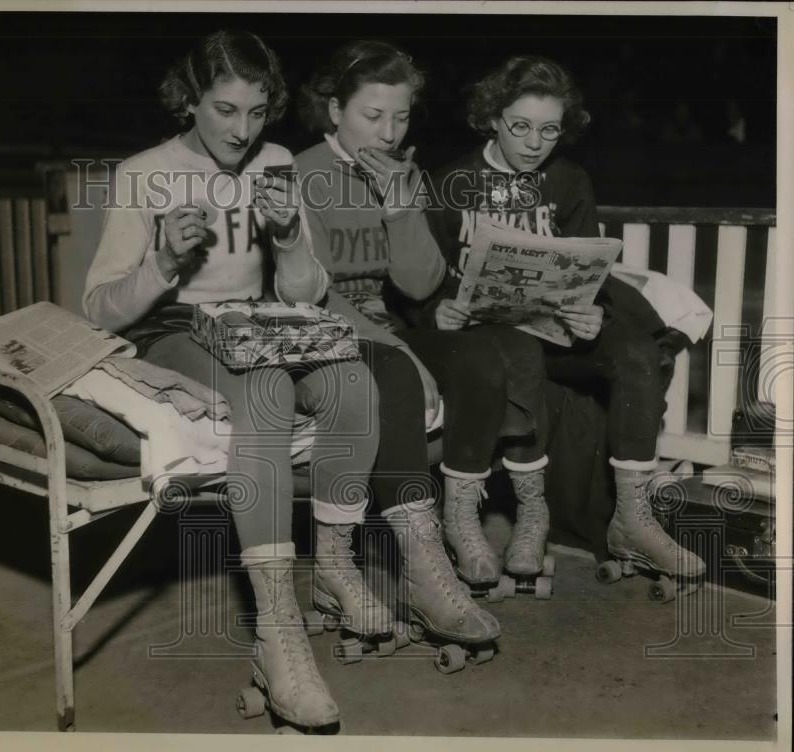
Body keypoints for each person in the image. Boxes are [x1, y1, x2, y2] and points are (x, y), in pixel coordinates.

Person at [82, 30, 384, 730]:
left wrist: (286, 240)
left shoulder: (277, 161)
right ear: (189, 99)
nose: (241, 131)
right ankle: (276, 630)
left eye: (255, 111)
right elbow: (97, 307)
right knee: (266, 390)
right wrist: (160, 261)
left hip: (257, 321)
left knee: (352, 386)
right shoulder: (143, 173)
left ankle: (335, 569)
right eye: (224, 110)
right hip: (172, 325)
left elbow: (307, 291)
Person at [420, 55, 705, 588]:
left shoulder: (569, 180)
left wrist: (592, 309)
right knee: (518, 352)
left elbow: (587, 268)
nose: (533, 143)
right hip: (492, 335)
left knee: (638, 351)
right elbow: (424, 280)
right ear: (492, 118)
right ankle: (534, 514)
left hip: (559, 331)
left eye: (548, 130)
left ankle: (633, 520)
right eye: (520, 127)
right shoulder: (451, 182)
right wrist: (440, 305)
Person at [296, 38, 550, 637]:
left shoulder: (402, 174)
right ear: (335, 111)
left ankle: (461, 525)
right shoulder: (301, 172)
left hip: (394, 326)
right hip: (327, 331)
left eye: (402, 116)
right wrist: (404, 353)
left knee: (483, 359)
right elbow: (308, 293)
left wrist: (401, 207)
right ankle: (422, 570)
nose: (389, 133)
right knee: (400, 379)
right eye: (373, 115)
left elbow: (419, 284)